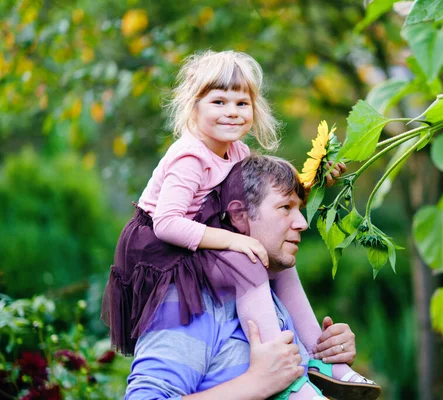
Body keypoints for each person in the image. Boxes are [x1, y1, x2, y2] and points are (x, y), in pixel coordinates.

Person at [101, 51, 373, 399]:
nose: (232, 111)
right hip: (165, 252)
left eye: (242, 103)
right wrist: (259, 382)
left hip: (202, 238)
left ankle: (316, 356)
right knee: (250, 259)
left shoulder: (238, 153)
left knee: (270, 263)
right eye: (218, 101)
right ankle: (285, 371)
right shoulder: (189, 158)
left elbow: (262, 194)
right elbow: (167, 223)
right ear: (193, 107)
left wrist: (317, 181)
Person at [125, 155, 378, 400]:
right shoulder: (192, 302)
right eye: (285, 207)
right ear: (239, 215)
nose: (302, 222)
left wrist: (331, 352)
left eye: (299, 209)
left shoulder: (275, 300)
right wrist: (253, 384)